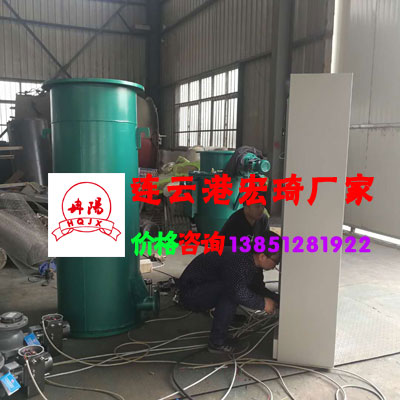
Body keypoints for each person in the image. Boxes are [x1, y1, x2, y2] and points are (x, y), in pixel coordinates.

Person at [177, 242, 281, 354]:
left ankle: (226, 316)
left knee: (233, 289)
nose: (275, 265)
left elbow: (257, 288)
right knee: (231, 293)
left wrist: (279, 300)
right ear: (262, 256)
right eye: (276, 262)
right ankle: (217, 343)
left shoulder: (252, 260)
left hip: (206, 286)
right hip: (191, 293)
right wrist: (262, 304)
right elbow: (237, 292)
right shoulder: (240, 262)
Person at [220, 204, 279, 303]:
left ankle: (259, 290)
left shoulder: (263, 219)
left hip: (251, 258)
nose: (261, 209)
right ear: (246, 206)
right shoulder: (235, 223)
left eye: (263, 206)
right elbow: (234, 252)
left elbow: (265, 243)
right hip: (229, 259)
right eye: (257, 206)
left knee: (259, 261)